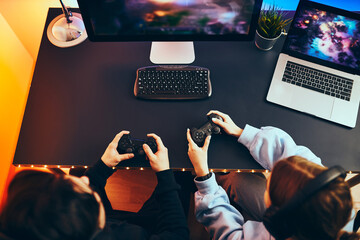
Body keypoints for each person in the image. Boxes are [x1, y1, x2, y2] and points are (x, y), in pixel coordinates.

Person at [186, 110, 359, 240]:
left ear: (275, 215)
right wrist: (241, 132)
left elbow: (230, 235)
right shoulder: (332, 198)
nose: (267, 179)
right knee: (236, 179)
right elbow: (292, 155)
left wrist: (204, 177)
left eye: (269, 184)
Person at [0, 131, 189, 240]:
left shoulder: (69, 227)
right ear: (92, 220)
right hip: (152, 231)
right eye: (85, 191)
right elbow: (178, 234)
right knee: (181, 177)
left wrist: (103, 165)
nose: (85, 180)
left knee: (78, 170)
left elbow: (84, 186)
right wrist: (164, 174)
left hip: (114, 220)